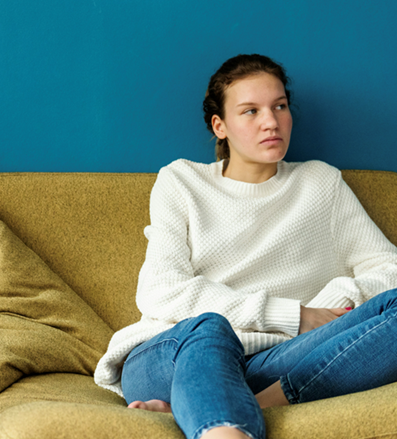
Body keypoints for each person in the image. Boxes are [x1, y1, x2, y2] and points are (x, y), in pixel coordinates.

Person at [93, 54, 397, 439]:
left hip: (274, 361)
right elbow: (160, 290)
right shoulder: (181, 181)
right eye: (250, 111)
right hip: (177, 355)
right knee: (210, 327)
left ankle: (226, 403)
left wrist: (340, 296)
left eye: (280, 107)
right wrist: (294, 315)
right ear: (220, 126)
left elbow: (388, 268)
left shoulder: (321, 183)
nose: (271, 122)